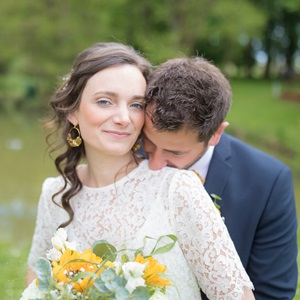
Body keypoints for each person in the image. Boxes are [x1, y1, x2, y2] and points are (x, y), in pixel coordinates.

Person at [25, 42, 255, 299]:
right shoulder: (55, 192)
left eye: (135, 105)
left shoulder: (178, 188)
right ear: (73, 111)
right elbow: (36, 279)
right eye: (105, 101)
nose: (123, 117)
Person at [142, 56, 298, 300]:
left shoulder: (268, 182)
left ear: (215, 134)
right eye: (149, 142)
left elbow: (272, 294)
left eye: (175, 152)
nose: (154, 163)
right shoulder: (123, 155)